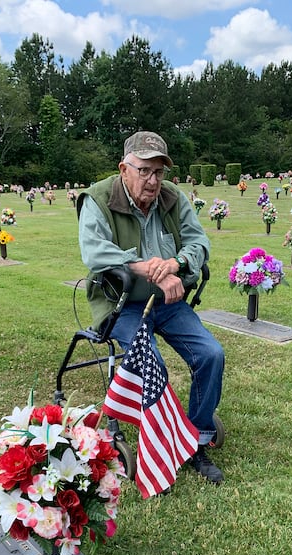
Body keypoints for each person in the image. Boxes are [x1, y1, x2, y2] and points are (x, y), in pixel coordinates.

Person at [77, 131, 225, 484]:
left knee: (211, 354)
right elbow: (94, 252)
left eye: (158, 172)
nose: (153, 180)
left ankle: (197, 439)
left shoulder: (173, 198)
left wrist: (175, 264)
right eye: (144, 171)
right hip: (121, 303)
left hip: (166, 302)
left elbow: (199, 241)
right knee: (151, 362)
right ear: (124, 169)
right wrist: (147, 268)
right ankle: (158, 443)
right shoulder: (98, 198)